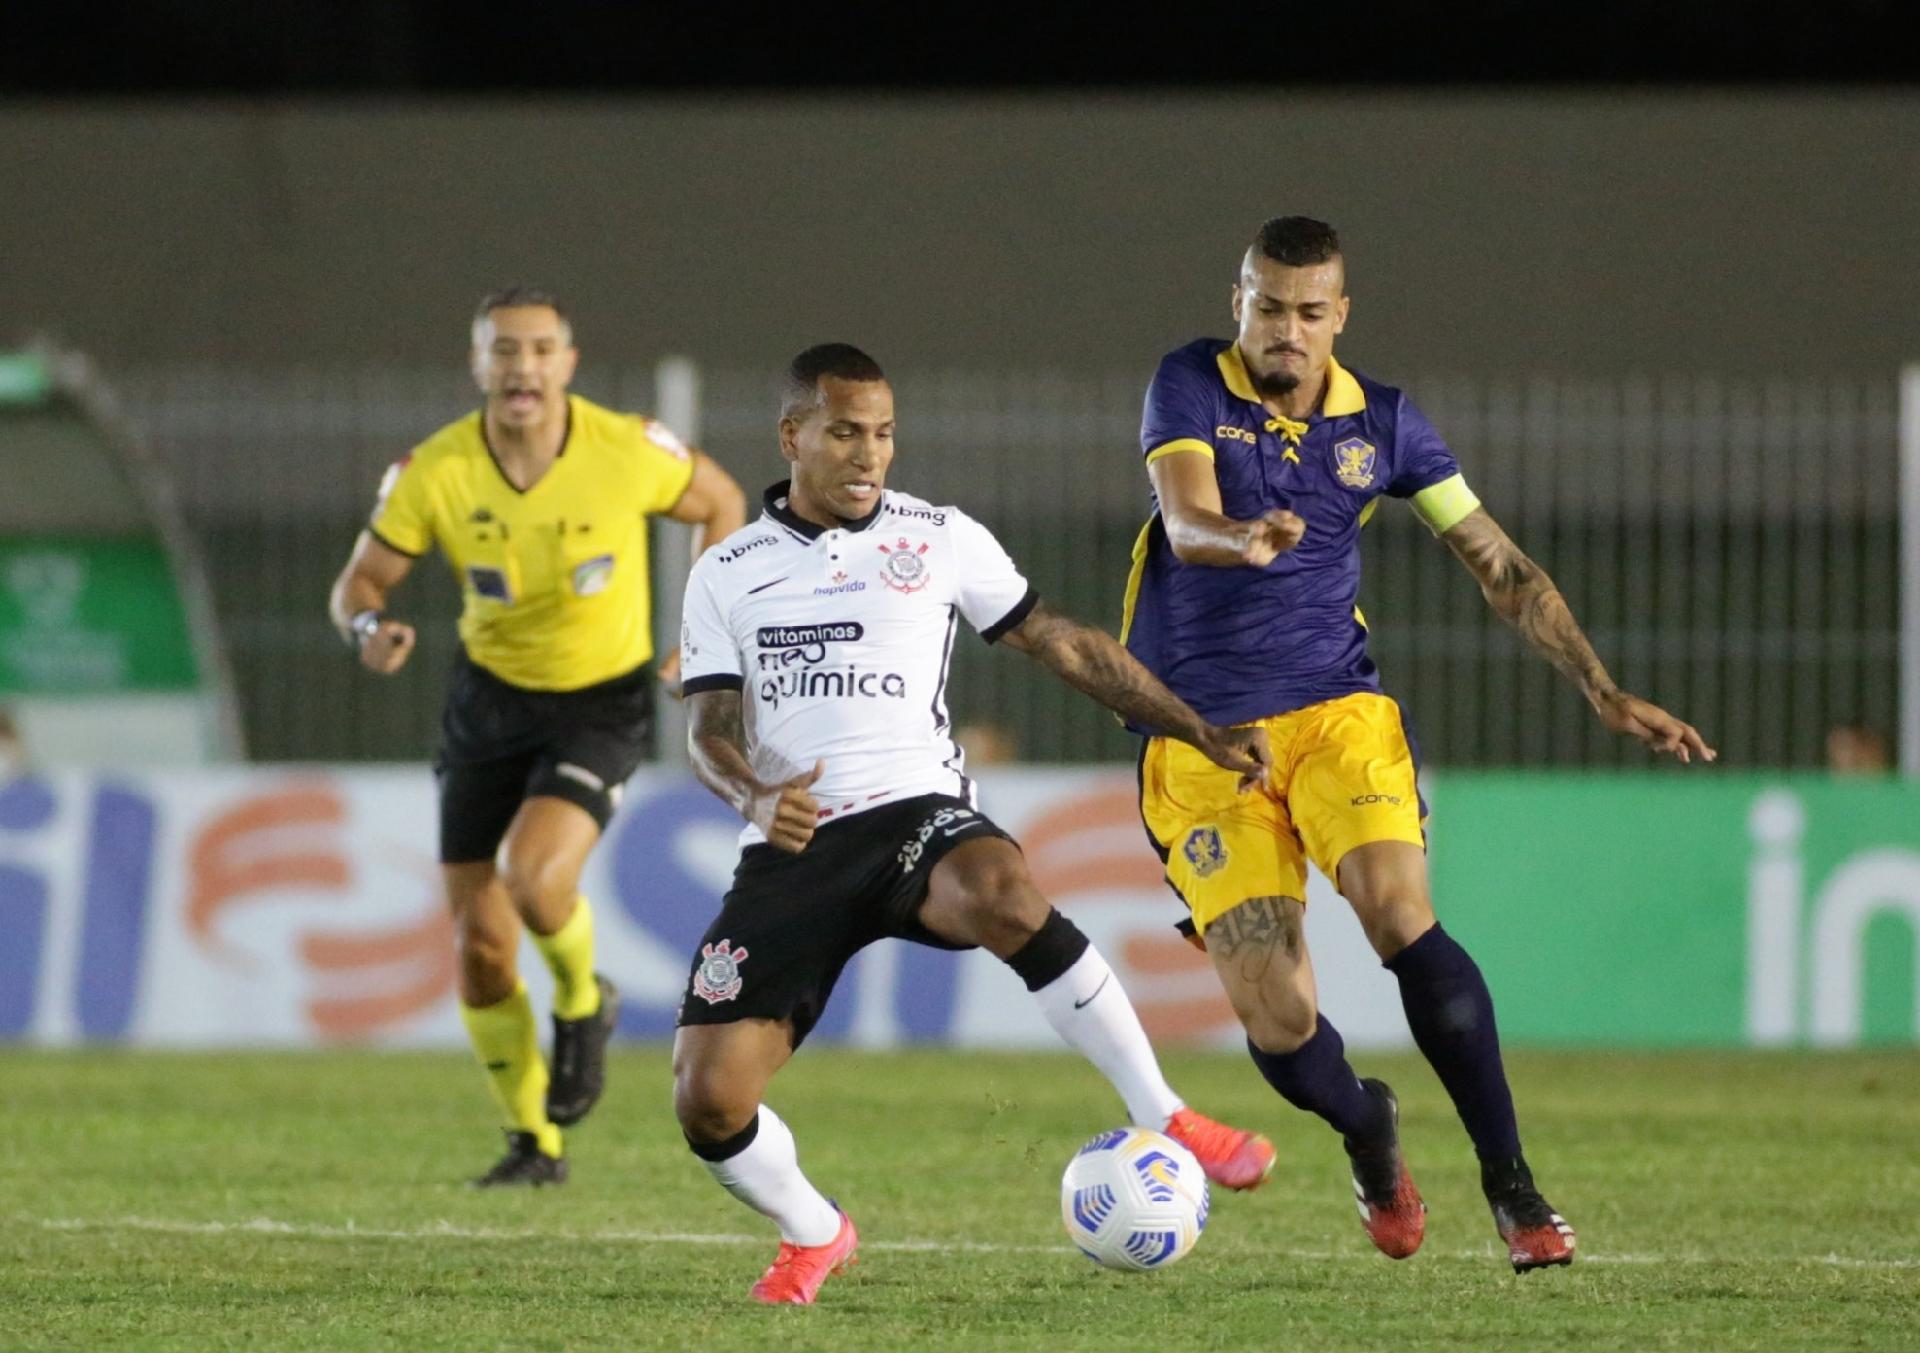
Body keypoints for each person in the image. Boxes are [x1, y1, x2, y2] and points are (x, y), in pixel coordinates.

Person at [1122, 217, 1716, 1272]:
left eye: (1311, 312)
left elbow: (1499, 564)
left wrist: (1602, 687)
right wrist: (1244, 540)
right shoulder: (1191, 385)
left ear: (1340, 315)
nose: (1288, 332)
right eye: (1269, 308)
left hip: (1338, 716)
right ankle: (1369, 1133)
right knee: (1277, 1009)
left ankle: (1513, 1188)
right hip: (1205, 735)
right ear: (1238, 304)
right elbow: (1184, 523)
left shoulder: (1386, 425)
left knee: (1401, 916)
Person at [673, 343, 1277, 1305]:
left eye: (883, 433)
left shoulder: (940, 535)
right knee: (707, 1100)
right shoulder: (726, 571)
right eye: (843, 433)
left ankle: (1163, 1112)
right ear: (793, 437)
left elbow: (1064, 643)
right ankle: (815, 1231)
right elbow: (705, 730)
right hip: (792, 846)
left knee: (998, 887)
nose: (869, 455)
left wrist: (1200, 729)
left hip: (917, 811)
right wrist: (751, 795)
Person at [326, 287, 746, 1186]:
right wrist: (369, 629)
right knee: (479, 948)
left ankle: (585, 1001)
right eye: (504, 351)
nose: (522, 366)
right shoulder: (435, 471)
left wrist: (701, 629)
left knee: (534, 876)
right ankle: (534, 1144)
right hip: (487, 705)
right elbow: (359, 583)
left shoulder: (624, 447)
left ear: (568, 361)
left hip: (599, 699)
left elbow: (722, 503)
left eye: (540, 349)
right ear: (479, 364)